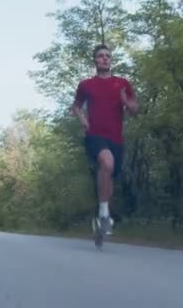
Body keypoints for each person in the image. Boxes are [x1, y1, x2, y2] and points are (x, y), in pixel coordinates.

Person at [71, 44, 138, 235]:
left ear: (111, 60)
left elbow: (135, 110)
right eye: (100, 56)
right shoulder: (86, 85)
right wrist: (84, 121)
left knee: (109, 177)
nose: (105, 58)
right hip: (95, 135)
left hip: (116, 138)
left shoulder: (122, 83)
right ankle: (103, 214)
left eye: (108, 56)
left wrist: (125, 102)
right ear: (95, 60)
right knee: (106, 162)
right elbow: (76, 107)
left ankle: (103, 211)